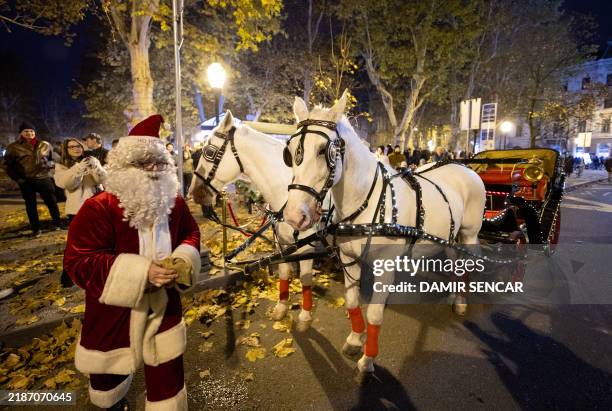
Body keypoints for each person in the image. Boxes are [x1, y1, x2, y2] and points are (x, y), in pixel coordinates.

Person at [63, 114, 201, 410]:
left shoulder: (174, 202)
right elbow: (79, 261)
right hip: (112, 309)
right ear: (124, 166)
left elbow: (190, 232)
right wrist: (141, 273)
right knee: (107, 375)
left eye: (160, 163)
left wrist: (183, 258)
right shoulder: (98, 207)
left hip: (164, 304)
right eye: (143, 162)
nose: (154, 170)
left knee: (167, 378)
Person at [55, 138, 106, 288]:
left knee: (101, 241)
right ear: (66, 149)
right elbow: (68, 184)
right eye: (71, 147)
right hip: (77, 209)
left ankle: (97, 271)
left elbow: (103, 180)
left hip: (98, 206)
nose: (76, 149)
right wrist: (79, 168)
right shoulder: (61, 166)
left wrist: (97, 167)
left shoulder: (90, 160)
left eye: (78, 146)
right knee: (75, 245)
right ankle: (68, 275)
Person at [3, 122, 62, 236]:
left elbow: (54, 159)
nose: (29, 133)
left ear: (35, 132)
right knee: (30, 205)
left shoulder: (44, 144)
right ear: (21, 133)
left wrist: (50, 165)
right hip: (26, 181)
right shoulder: (13, 147)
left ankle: (57, 224)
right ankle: (35, 229)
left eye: (31, 131)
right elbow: (7, 166)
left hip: (44, 178)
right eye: (26, 131)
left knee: (52, 202)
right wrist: (19, 179)